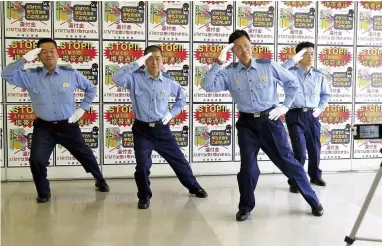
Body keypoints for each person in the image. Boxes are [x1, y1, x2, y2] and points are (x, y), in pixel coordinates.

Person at [201, 30, 323, 221]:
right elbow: (207, 85)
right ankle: (245, 206)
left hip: (270, 122)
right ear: (233, 51)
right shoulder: (230, 72)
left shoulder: (268, 66)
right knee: (247, 169)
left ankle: (314, 201)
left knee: (289, 164)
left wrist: (285, 106)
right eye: (238, 48)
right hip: (247, 125)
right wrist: (218, 62)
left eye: (246, 46)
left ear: (252, 45)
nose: (244, 50)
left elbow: (291, 83)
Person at [1, 38, 109, 203]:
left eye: (52, 51)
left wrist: (82, 108)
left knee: (85, 155)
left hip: (68, 125)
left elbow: (91, 88)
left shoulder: (70, 74)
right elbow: (6, 74)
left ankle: (99, 179)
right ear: (38, 56)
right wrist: (24, 59)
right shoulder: (30, 76)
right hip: (44, 128)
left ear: (58, 54)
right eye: (43, 52)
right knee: (37, 160)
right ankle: (44, 193)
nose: (48, 54)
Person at [112, 45, 207, 209]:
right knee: (142, 166)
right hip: (142, 130)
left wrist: (171, 114)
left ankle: (193, 186)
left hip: (162, 130)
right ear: (144, 61)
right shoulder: (135, 78)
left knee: (179, 161)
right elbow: (116, 78)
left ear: (162, 60)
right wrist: (136, 63)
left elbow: (181, 99)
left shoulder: (169, 82)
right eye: (149, 58)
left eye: (157, 58)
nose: (154, 62)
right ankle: (144, 197)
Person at [281, 42, 330, 193]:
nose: (310, 57)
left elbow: (325, 95)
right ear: (299, 56)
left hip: (312, 115)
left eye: (312, 53)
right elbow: (279, 70)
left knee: (315, 148)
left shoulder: (318, 75)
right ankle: (295, 180)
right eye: (306, 53)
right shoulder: (290, 72)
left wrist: (320, 109)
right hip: (295, 115)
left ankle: (315, 176)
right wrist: (292, 59)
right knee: (299, 151)